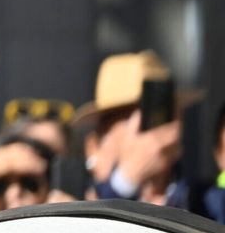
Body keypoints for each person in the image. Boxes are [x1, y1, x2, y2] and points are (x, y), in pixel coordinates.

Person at [77, 50, 191, 208]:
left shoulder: (210, 202)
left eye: (162, 111)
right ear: (102, 134)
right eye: (130, 113)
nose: (152, 128)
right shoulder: (73, 201)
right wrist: (125, 180)